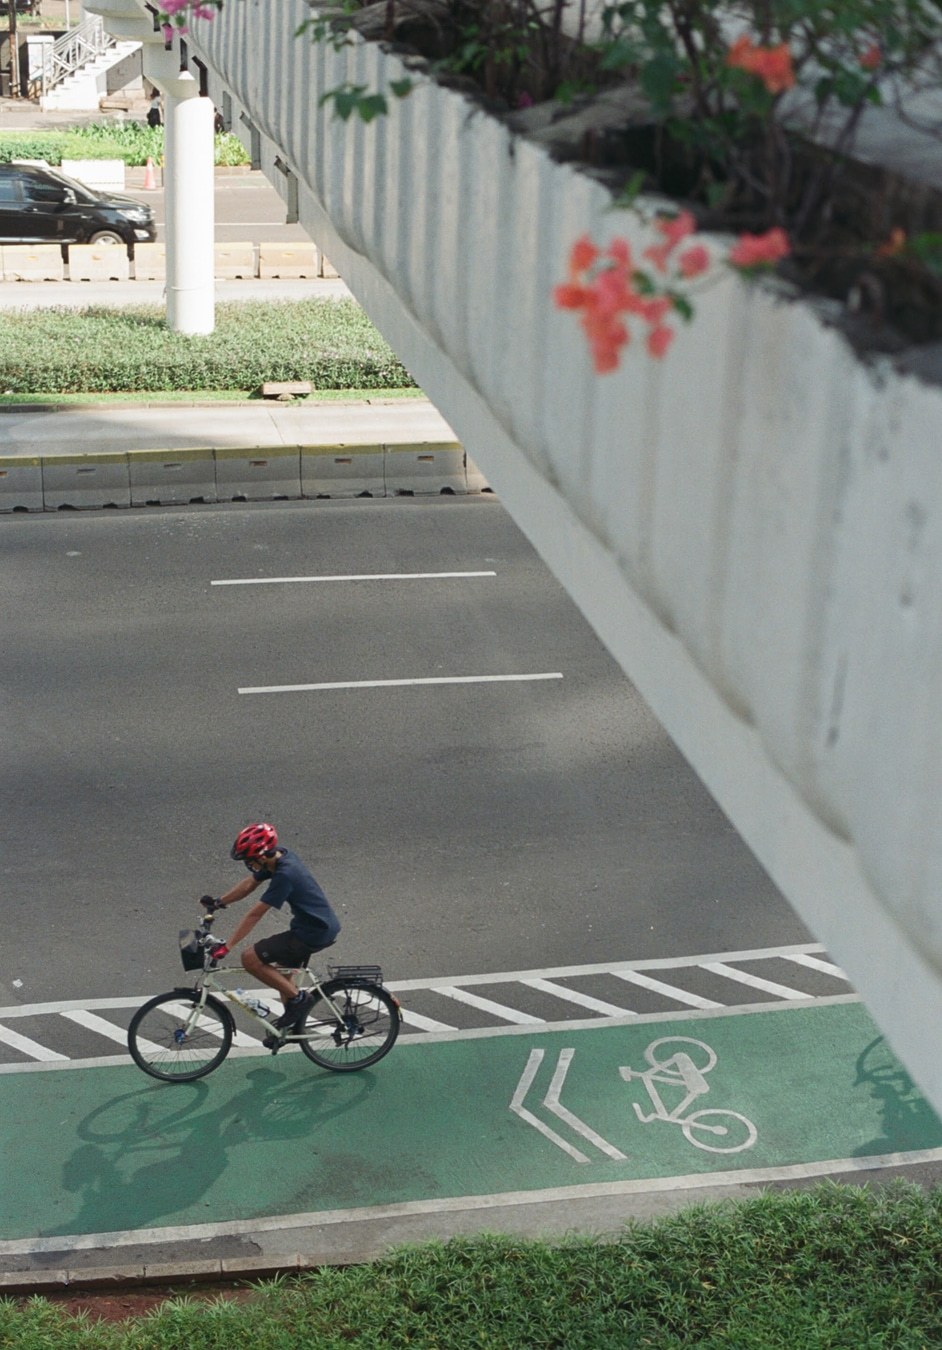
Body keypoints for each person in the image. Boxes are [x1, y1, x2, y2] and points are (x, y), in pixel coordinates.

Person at [200, 822, 341, 1030]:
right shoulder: (278, 857)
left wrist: (227, 947)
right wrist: (219, 902)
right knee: (282, 977)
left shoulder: (285, 875)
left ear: (262, 855)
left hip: (312, 932)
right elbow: (250, 884)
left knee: (250, 958)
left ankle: (301, 1000)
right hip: (312, 926)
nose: (248, 864)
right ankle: (289, 1029)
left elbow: (255, 914)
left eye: (249, 860)